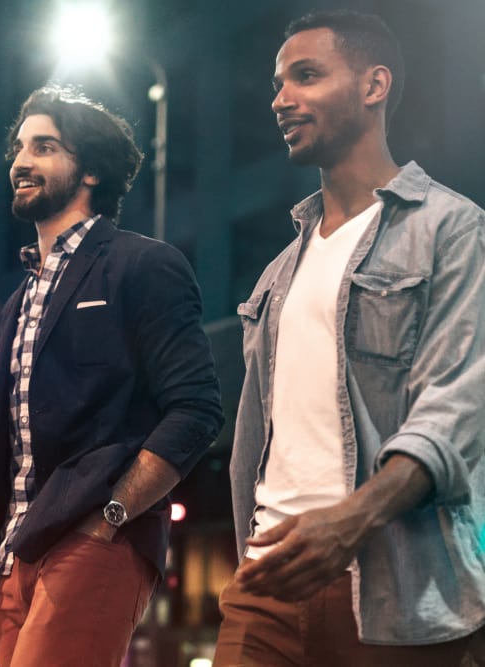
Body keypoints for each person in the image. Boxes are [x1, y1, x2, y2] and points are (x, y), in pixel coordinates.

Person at [0, 87, 224, 667]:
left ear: (90, 169)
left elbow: (196, 411)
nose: (21, 161)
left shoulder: (143, 265)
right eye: (20, 147)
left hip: (93, 541)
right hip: (10, 552)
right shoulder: (18, 303)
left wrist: (112, 516)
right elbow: (4, 456)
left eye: (45, 147)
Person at [215, 10, 485, 666]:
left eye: (306, 76)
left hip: (398, 589)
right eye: (279, 82)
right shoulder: (279, 272)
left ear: (374, 86)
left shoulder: (450, 228)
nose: (281, 99)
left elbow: (456, 405)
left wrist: (353, 519)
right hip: (265, 587)